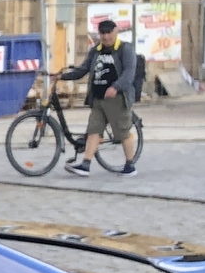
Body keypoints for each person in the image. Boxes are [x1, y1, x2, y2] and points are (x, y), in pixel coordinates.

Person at [58, 18, 142, 175]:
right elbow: (82, 70)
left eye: (109, 33)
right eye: (102, 33)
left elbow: (129, 73)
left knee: (122, 133)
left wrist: (115, 87)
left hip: (117, 99)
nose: (106, 37)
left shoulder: (125, 49)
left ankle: (130, 165)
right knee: (93, 130)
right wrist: (62, 77)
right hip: (98, 98)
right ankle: (85, 165)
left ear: (116, 32)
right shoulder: (95, 50)